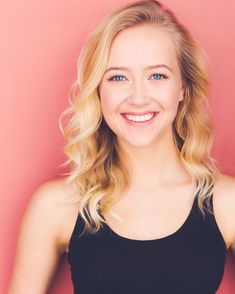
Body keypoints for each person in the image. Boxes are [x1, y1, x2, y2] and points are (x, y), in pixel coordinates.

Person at [8, 0, 235, 293]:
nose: (138, 97)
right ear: (99, 91)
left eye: (157, 75)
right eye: (118, 77)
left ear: (183, 88)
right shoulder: (56, 207)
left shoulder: (227, 203)